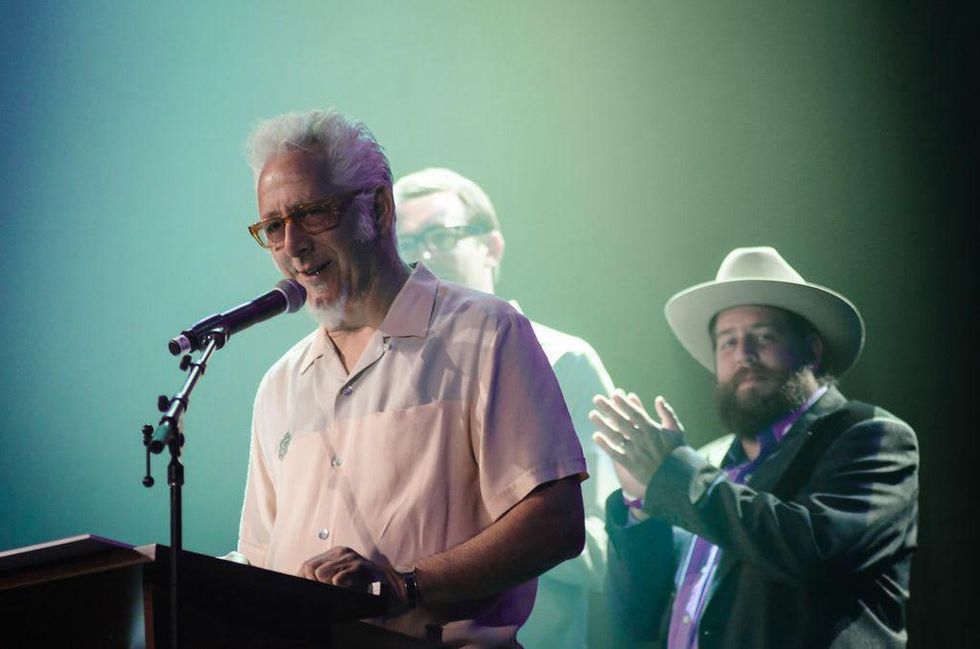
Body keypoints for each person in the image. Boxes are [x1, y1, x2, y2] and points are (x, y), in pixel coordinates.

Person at [235, 110, 587, 647]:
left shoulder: (484, 332)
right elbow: (260, 559)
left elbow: (555, 523)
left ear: (378, 208)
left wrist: (405, 586)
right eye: (274, 226)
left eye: (311, 213)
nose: (293, 244)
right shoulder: (279, 385)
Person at [590, 247, 918, 648]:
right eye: (727, 343)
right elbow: (635, 621)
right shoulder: (708, 464)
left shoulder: (871, 437)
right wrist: (642, 504)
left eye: (764, 337)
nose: (743, 355)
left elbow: (813, 551)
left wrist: (674, 474)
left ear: (812, 350)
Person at [394, 168, 617, 648]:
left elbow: (606, 547)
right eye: (406, 243)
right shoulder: (392, 376)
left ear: (491, 247)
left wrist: (488, 544)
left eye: (440, 236)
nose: (421, 257)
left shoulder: (563, 359)